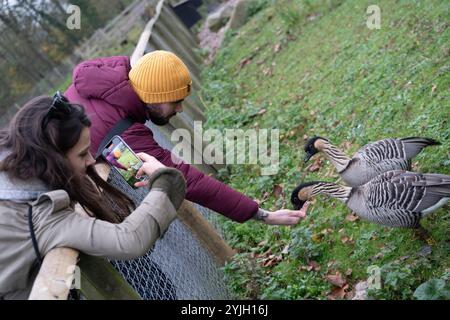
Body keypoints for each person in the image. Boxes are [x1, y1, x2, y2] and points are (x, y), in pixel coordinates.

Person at [65, 51, 310, 225]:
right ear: (153, 96)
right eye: (176, 101)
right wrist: (261, 214)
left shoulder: (101, 79)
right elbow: (187, 180)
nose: (180, 109)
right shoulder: (125, 133)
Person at [0, 94, 186, 300]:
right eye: (82, 154)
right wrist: (166, 181)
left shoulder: (11, 175)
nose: (91, 160)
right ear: (53, 158)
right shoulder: (39, 215)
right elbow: (129, 239)